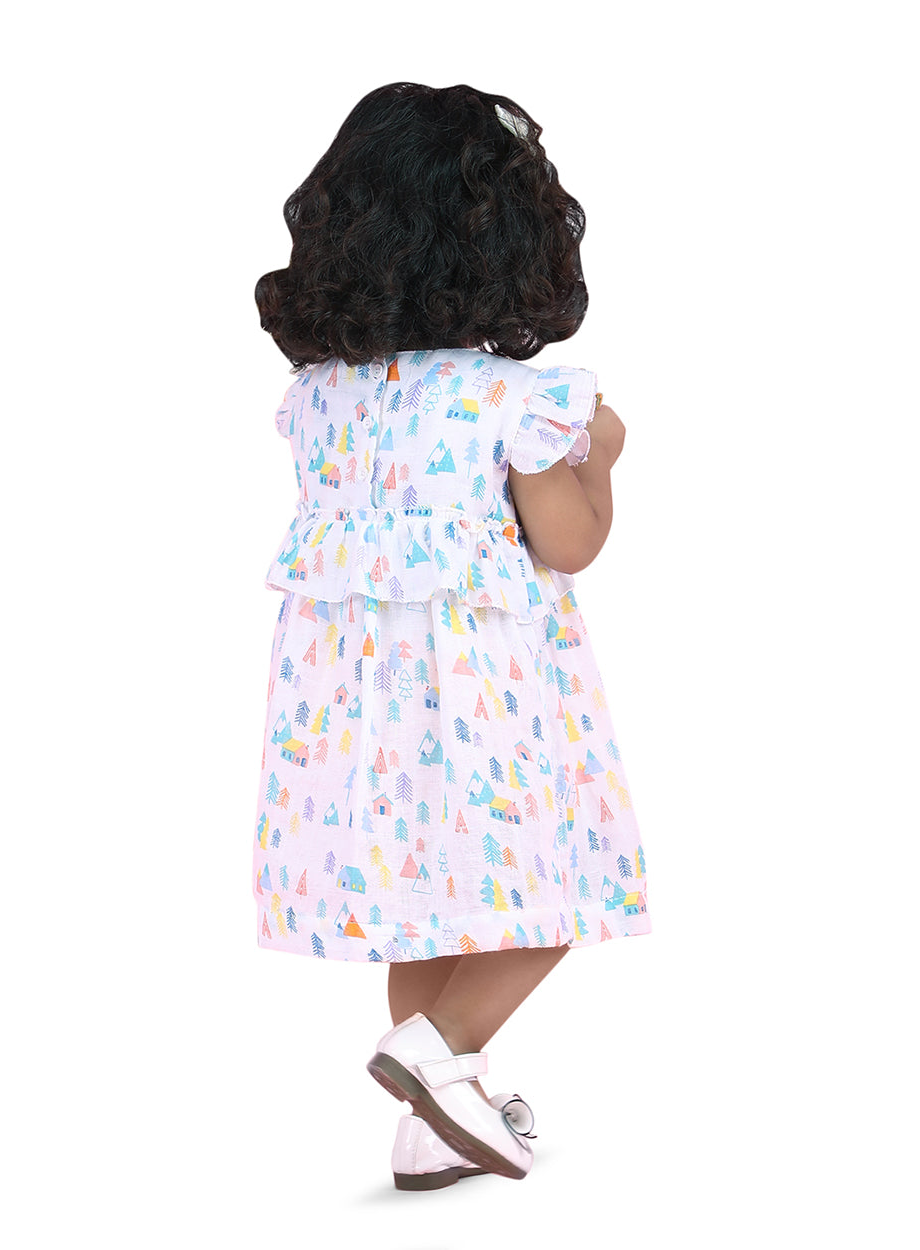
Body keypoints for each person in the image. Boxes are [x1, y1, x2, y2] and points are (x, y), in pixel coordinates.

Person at [252, 82, 651, 1190]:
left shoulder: (317, 399)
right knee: (559, 883)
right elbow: (567, 543)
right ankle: (434, 1054)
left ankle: (438, 1114)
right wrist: (601, 460)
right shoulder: (511, 400)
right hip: (491, 696)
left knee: (423, 911)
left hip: (358, 716)